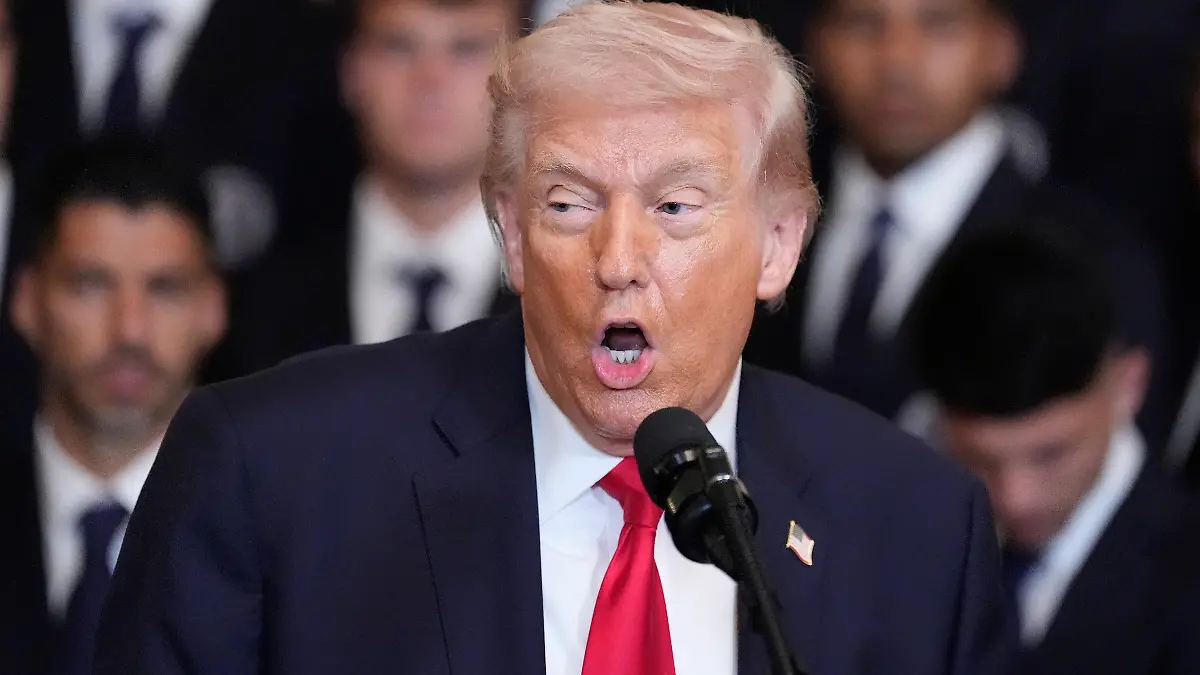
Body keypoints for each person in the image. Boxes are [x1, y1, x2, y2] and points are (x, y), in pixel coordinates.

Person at [94, 4, 1009, 674]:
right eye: (568, 204)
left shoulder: (919, 529)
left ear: (779, 246)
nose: (618, 258)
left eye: (675, 207)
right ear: (515, 234)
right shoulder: (271, 473)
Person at [741, 0, 1173, 450]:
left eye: (940, 24)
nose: (897, 61)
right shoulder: (746, 214)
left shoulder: (1094, 255)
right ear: (816, 46)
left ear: (1002, 48)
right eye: (862, 23)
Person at [908, 220, 1200, 674]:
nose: (1014, 497)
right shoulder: (908, 543)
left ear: (1129, 384)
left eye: (1051, 454)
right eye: (979, 459)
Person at [0, 137, 227, 675]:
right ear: (27, 300)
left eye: (164, 288)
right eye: (90, 283)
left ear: (214, 308)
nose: (129, 329)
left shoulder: (273, 545)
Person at [227, 0, 518, 375]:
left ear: (522, 76)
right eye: (398, 45)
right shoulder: (257, 293)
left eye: (467, 48)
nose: (430, 78)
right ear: (350, 70)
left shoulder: (572, 292)